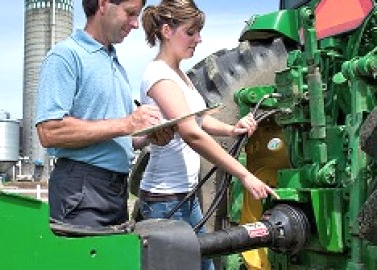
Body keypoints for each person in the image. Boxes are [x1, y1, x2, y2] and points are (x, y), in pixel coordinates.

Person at [138, 0, 279, 269]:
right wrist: (244, 174)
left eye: (198, 32)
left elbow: (198, 119)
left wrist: (231, 128)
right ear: (167, 31)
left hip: (185, 198)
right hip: (165, 202)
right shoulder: (159, 75)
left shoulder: (179, 73)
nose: (198, 39)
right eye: (190, 32)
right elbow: (191, 133)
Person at [35, 0, 173, 228]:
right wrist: (128, 123)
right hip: (82, 189)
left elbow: (120, 135)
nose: (135, 24)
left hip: (115, 190)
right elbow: (49, 131)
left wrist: (149, 136)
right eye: (130, 13)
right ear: (103, 4)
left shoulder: (115, 65)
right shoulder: (66, 56)